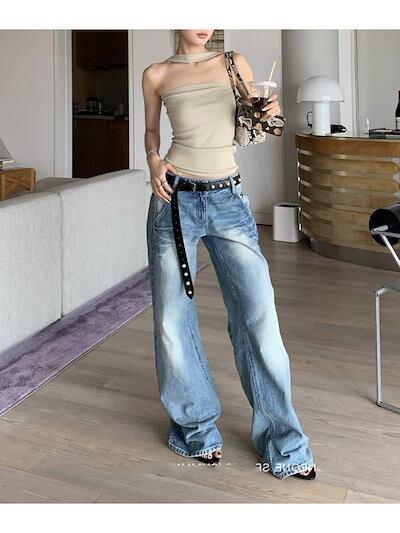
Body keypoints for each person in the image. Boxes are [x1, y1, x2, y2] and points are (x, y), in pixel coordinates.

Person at [142, 29, 316, 480]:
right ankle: (195, 430)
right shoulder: (156, 74)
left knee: (258, 316)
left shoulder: (233, 62)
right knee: (172, 320)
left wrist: (269, 115)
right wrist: (153, 158)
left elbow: (253, 132)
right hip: (173, 199)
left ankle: (285, 444)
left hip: (227, 200)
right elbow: (151, 130)